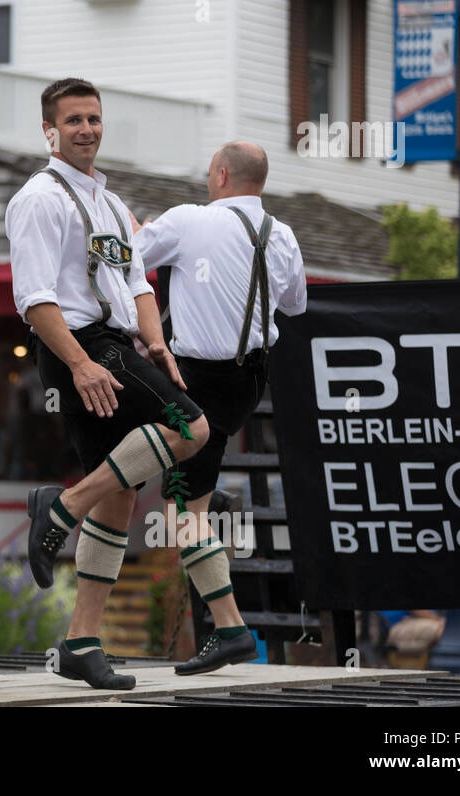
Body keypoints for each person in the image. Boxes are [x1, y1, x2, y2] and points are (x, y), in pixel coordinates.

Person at [6, 78, 210, 691]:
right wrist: (80, 363)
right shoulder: (38, 199)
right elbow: (33, 298)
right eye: (73, 120)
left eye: (94, 118)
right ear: (50, 130)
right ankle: (63, 504)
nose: (87, 129)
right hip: (81, 349)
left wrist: (157, 344)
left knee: (120, 496)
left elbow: (140, 286)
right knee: (191, 427)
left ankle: (80, 643)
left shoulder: (113, 203)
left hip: (118, 345)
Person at [130, 140, 306, 674]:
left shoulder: (189, 221)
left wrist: (142, 229)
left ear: (222, 175)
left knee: (182, 512)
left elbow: (128, 258)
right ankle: (212, 500)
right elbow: (295, 304)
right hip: (249, 381)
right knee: (174, 481)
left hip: (195, 378)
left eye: (210, 173)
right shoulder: (284, 234)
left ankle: (232, 629)